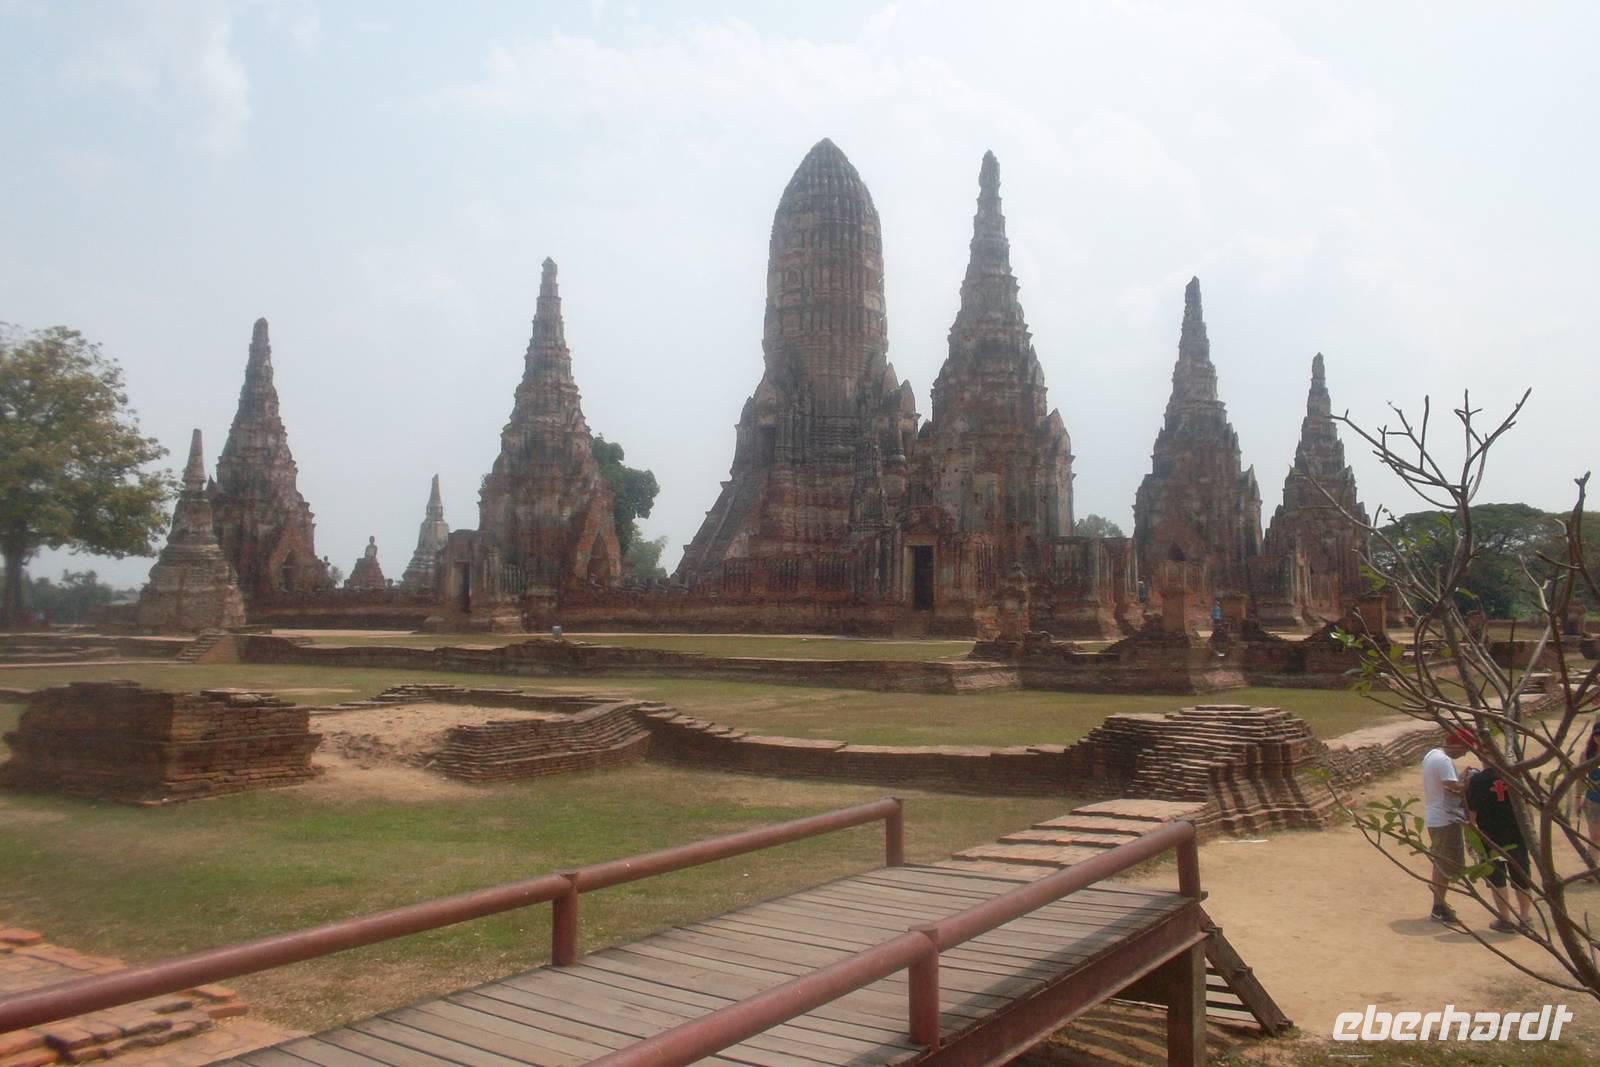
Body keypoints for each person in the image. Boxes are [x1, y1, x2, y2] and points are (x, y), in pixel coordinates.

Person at [1465, 764, 1533, 933]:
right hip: (1516, 834)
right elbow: (1527, 807)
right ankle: (1524, 918)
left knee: (1497, 877)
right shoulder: (1514, 775)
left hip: (1490, 836)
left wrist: (1469, 838)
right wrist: (1530, 832)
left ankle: (1505, 919)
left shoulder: (1478, 780)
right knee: (1521, 875)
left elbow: (1471, 813)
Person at [1421, 727, 1474, 923]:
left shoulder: (1432, 754)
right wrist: (1468, 782)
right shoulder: (1444, 761)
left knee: (1441, 863)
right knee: (1447, 865)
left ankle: (1439, 905)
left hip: (1436, 816)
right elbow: (1453, 790)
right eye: (1464, 748)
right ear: (1456, 744)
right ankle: (1439, 907)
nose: (1465, 753)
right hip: (1445, 818)